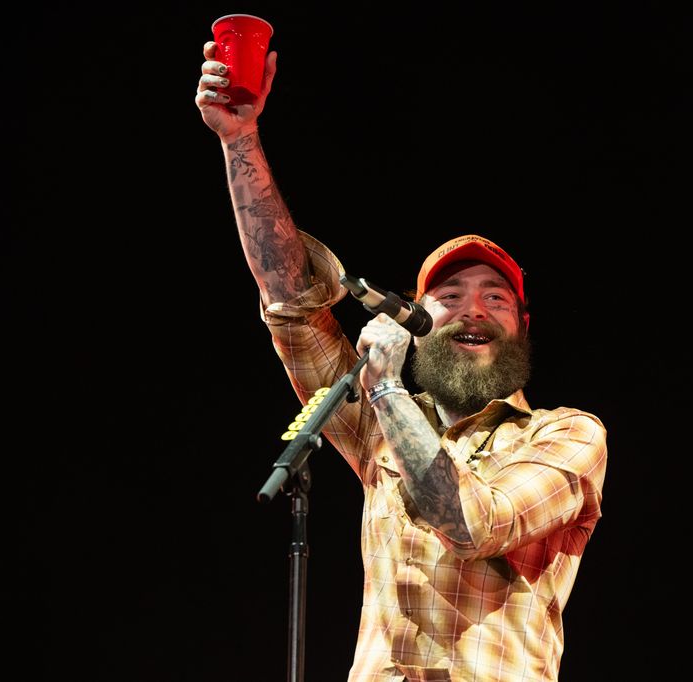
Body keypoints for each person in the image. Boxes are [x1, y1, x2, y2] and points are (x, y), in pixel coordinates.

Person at [195, 40, 608, 682]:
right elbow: (290, 303)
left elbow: (474, 523)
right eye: (448, 298)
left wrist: (386, 391)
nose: (472, 311)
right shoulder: (377, 427)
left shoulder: (566, 435)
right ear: (416, 325)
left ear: (523, 327)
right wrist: (239, 140)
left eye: (494, 298)